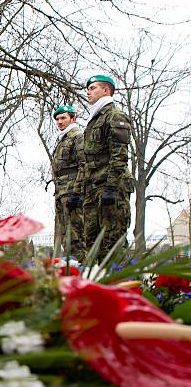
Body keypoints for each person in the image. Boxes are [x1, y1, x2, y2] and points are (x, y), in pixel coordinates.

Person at [79, 75, 135, 259]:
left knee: (113, 244)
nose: (88, 91)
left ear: (106, 91)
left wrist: (111, 187)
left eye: (93, 88)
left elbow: (119, 155)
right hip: (93, 188)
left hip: (111, 188)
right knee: (93, 244)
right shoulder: (93, 120)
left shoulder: (114, 115)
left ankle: (119, 286)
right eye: (88, 88)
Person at [50, 105, 84, 258]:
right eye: (57, 119)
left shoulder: (77, 137)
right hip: (61, 192)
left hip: (72, 193)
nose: (60, 122)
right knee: (65, 234)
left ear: (73, 119)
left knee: (76, 234)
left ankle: (82, 267)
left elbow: (83, 165)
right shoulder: (62, 139)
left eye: (63, 118)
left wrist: (77, 193)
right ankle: (72, 266)